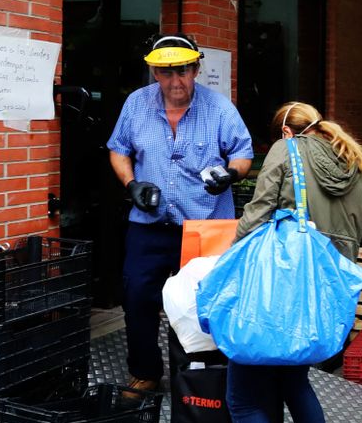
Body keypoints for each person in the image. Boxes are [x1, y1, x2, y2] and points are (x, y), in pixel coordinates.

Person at [224, 101, 362, 423]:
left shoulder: (285, 151)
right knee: (295, 382)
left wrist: (226, 263)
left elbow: (256, 216)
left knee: (242, 397)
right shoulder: (358, 163)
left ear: (287, 132)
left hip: (282, 293)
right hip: (325, 300)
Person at [107, 36, 254, 396]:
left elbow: (243, 154)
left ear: (196, 69)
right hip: (149, 225)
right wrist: (131, 184)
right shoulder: (136, 104)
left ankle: (201, 378)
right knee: (137, 296)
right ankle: (145, 372)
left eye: (183, 71)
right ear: (155, 72)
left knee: (203, 302)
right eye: (167, 72)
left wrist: (230, 175)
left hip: (204, 226)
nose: (176, 81)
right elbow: (118, 149)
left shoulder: (219, 109)